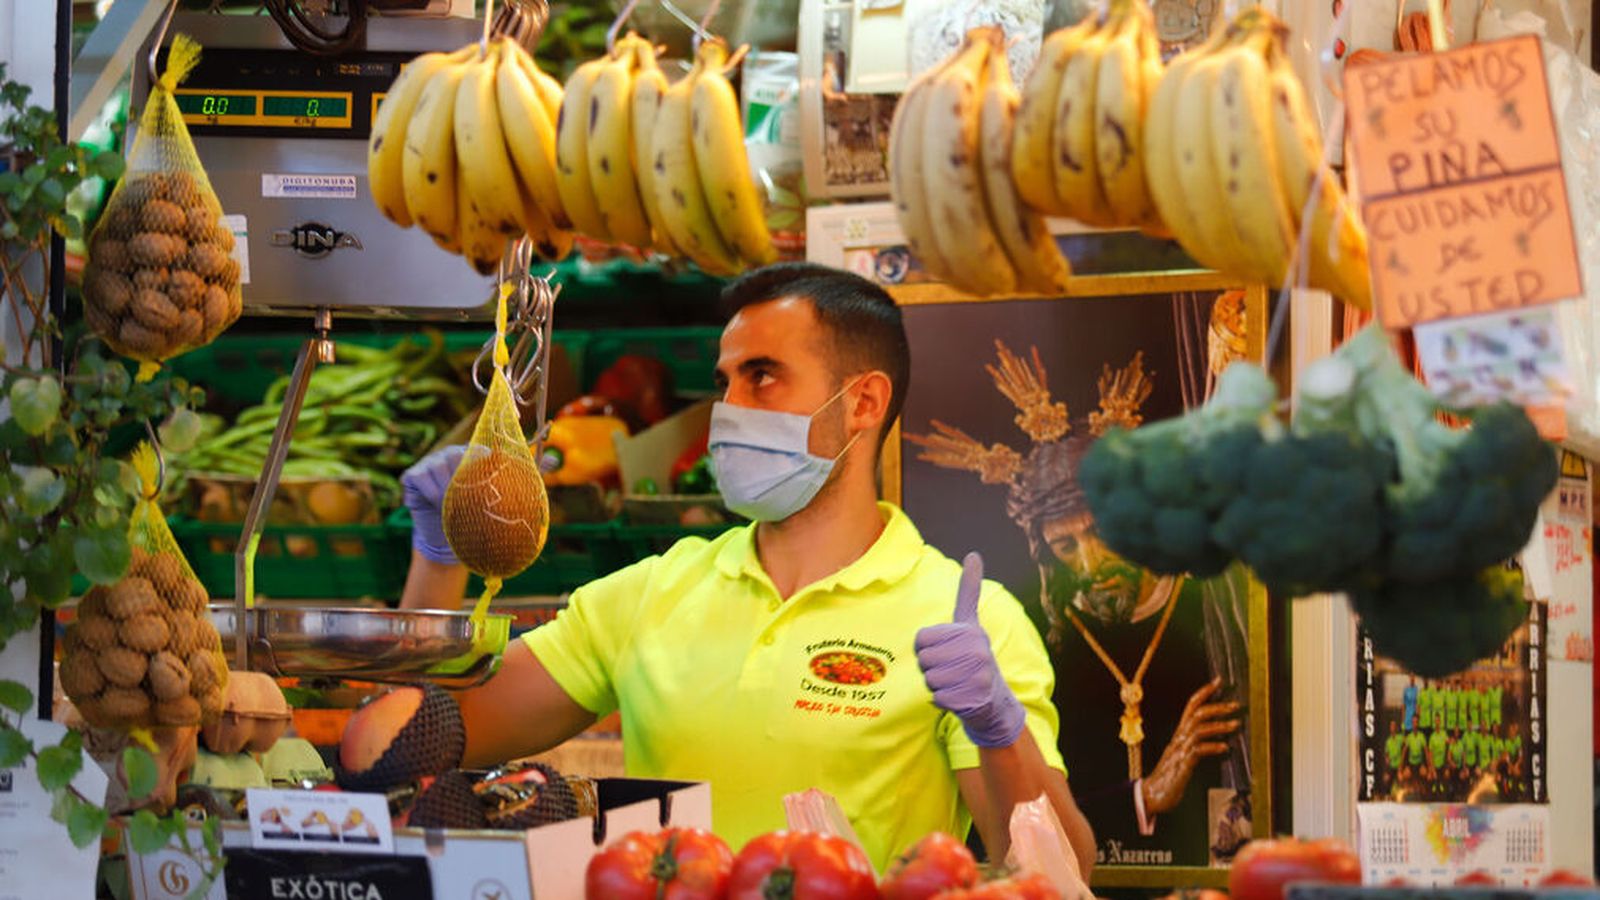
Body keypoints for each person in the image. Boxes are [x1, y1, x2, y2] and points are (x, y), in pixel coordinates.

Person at [390, 263, 1096, 872]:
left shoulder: (967, 619)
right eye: (724, 381)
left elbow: (1062, 869)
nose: (728, 409)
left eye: (763, 377)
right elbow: (419, 736)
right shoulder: (652, 591)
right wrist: (440, 558)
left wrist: (997, 729)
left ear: (864, 402)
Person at [1384, 720, 1405, 795]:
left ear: (1396, 728)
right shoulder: (1388, 741)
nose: (1393, 727)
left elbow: (1406, 747)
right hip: (1391, 767)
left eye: (1394, 726)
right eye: (1391, 726)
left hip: (1400, 766)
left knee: (1401, 780)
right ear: (1390, 728)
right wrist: (1387, 771)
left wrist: (1402, 766)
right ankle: (1388, 796)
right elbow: (1386, 755)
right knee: (1386, 779)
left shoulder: (1400, 738)